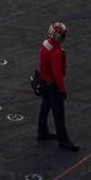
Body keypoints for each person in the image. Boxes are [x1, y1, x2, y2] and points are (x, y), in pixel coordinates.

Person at [37, 22, 79, 151]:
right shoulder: (56, 51)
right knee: (59, 114)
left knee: (45, 107)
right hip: (53, 86)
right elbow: (57, 72)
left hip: (44, 81)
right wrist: (62, 89)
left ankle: (42, 131)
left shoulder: (46, 44)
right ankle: (63, 140)